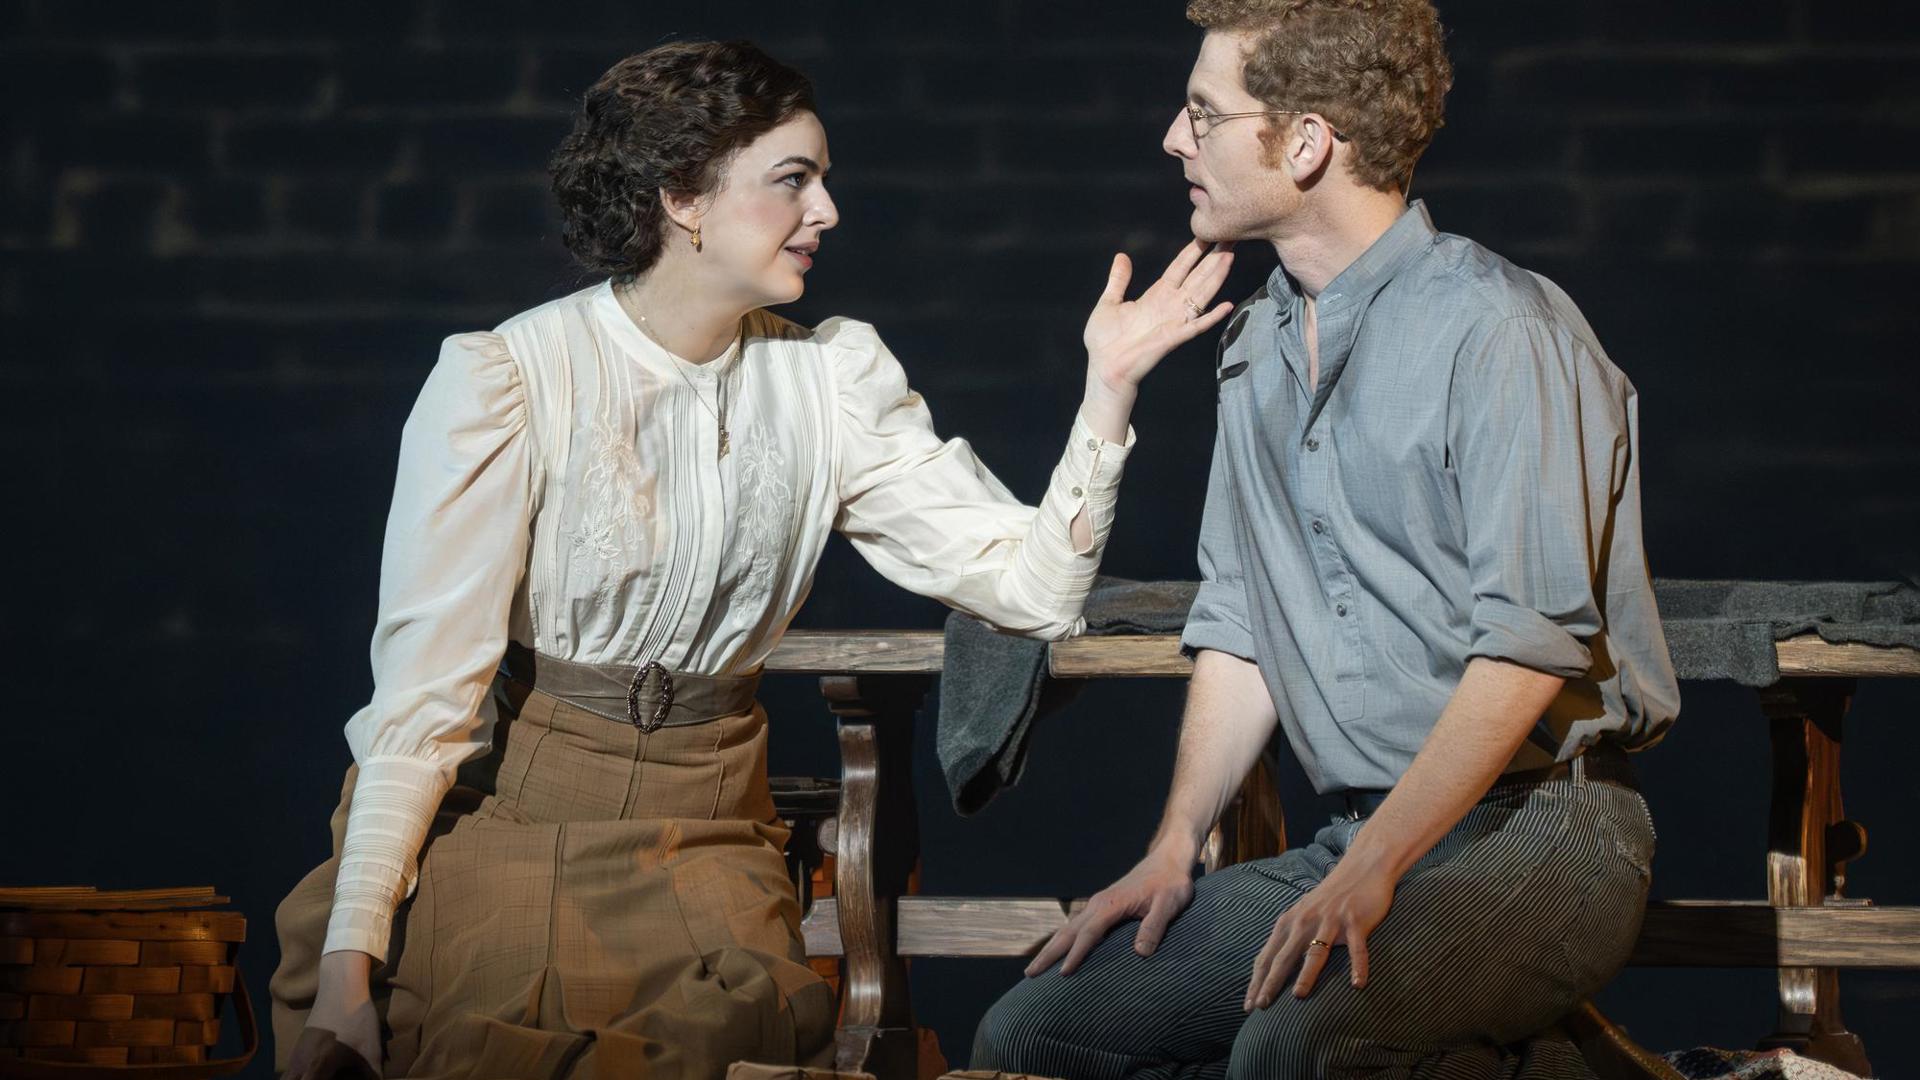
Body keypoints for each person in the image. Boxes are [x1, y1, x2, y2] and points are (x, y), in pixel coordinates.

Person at [269, 39, 1237, 1080]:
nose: (826, 212)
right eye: (792, 182)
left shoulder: (828, 381)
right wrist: (347, 972)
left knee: (724, 1049)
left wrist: (1109, 390)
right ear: (682, 197)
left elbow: (1034, 593)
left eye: (821, 180)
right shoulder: (511, 382)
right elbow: (421, 708)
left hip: (711, 831)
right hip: (516, 820)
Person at [973, 1, 1682, 1076]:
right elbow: (1242, 618)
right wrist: (1173, 849)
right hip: (1358, 831)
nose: (1175, 139)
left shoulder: (1501, 331)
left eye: (1203, 114)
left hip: (1545, 829)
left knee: (1299, 1046)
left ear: (1304, 143)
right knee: (1033, 1032)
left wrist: (1380, 864)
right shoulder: (1256, 345)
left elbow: (1528, 644)